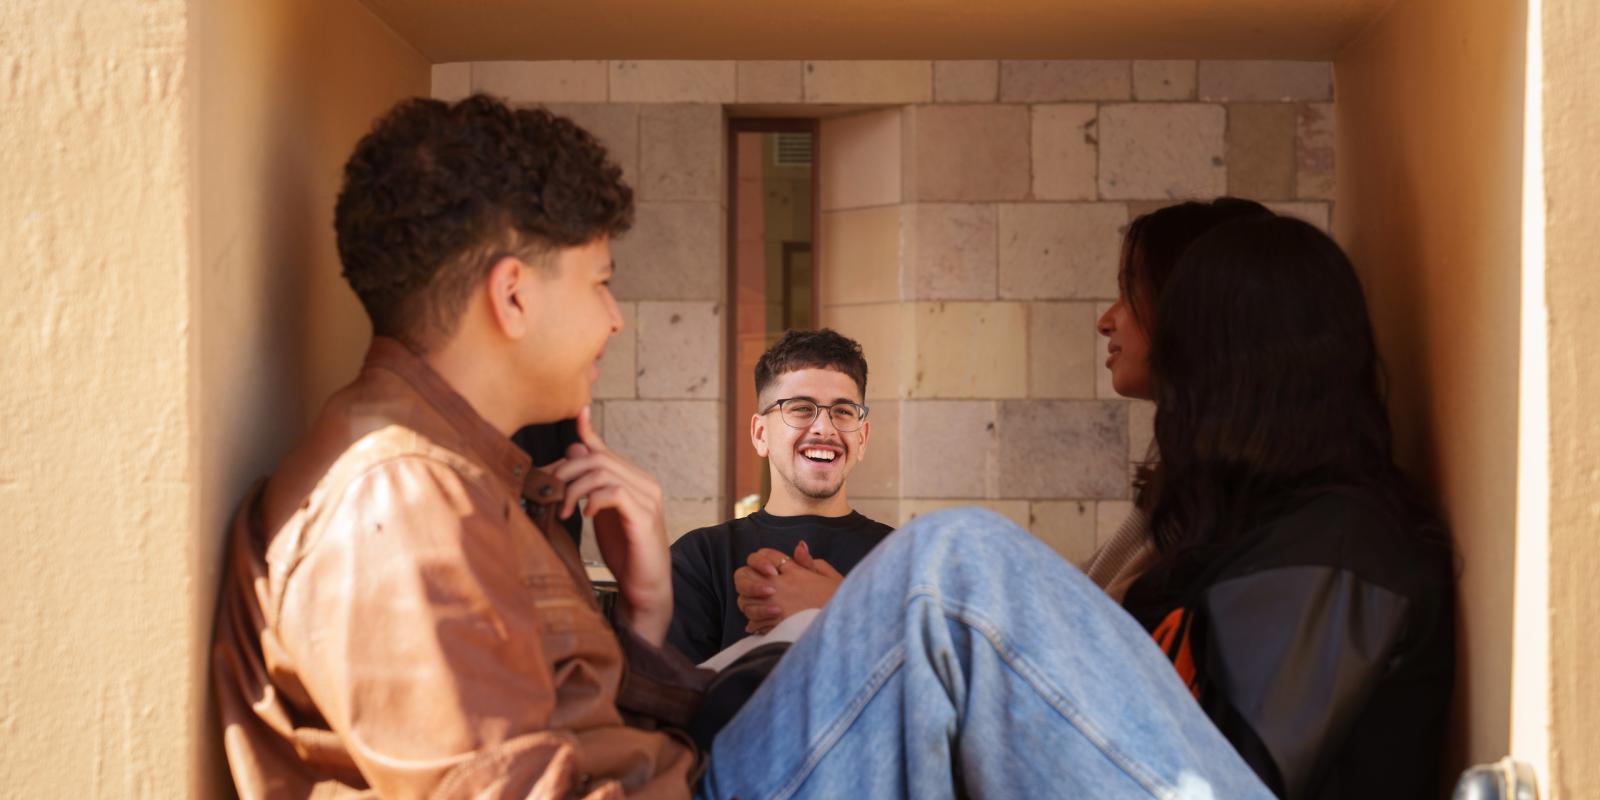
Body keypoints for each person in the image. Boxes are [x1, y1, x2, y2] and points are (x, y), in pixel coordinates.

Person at [210, 93, 1274, 798]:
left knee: (946, 576)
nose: (617, 319)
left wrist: (640, 619)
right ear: (513, 293)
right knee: (952, 574)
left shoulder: (462, 478)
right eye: (603, 282)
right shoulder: (392, 503)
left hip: (701, 762)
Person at [1116, 214, 1456, 798]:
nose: (1171, 403)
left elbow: (1218, 786)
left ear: (1224, 374)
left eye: (1180, 361)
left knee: (958, 556)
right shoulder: (1263, 536)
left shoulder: (1340, 552)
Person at [667, 329, 893, 664]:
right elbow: (678, 702)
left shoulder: (902, 559)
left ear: (863, 437)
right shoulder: (700, 559)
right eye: (802, 409)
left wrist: (831, 609)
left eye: (843, 412)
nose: (825, 428)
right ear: (761, 435)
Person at [1089, 198, 1272, 600]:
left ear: (1191, 309)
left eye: (1128, 291)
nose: (1105, 321)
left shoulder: (1241, 509)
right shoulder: (1186, 479)